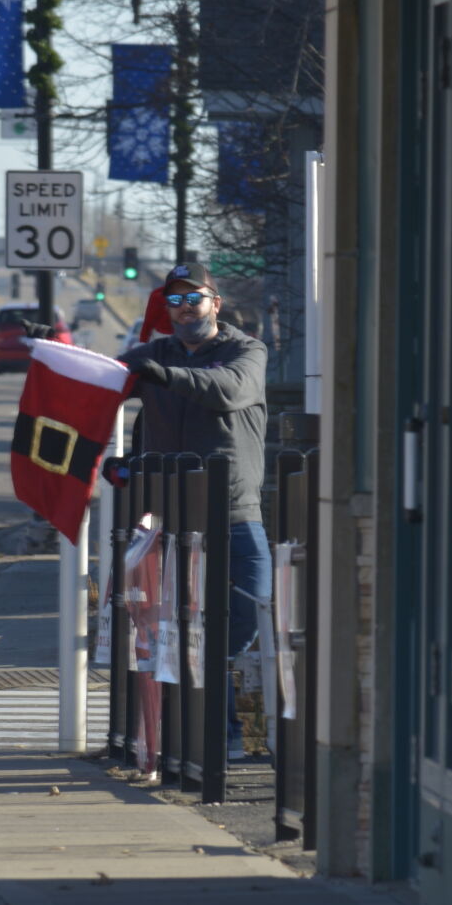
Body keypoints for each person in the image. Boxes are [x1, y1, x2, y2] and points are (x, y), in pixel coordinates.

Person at [122, 261, 270, 764]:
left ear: (216, 303)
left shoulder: (246, 351)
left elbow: (229, 390)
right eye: (175, 301)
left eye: (195, 299)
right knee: (173, 629)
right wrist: (50, 355)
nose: (185, 310)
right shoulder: (152, 352)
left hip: (232, 512)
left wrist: (163, 376)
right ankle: (209, 739)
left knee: (249, 612)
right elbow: (100, 385)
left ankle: (210, 727)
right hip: (167, 519)